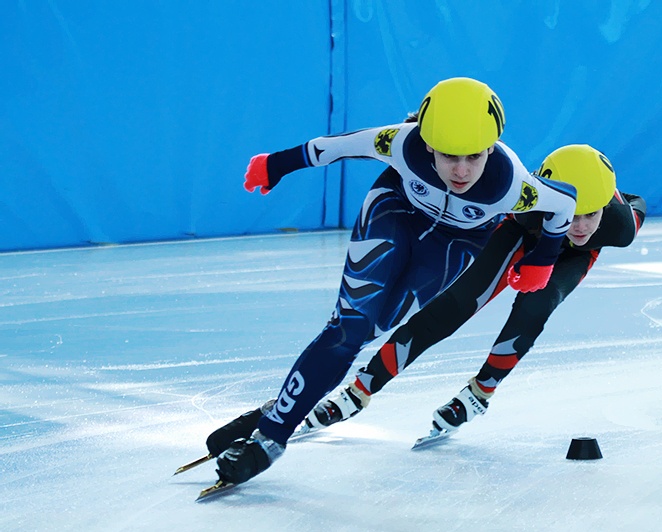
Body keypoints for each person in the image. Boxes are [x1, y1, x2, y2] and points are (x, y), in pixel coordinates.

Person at [208, 77, 579, 486]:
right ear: (428, 144)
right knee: (347, 329)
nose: (461, 171)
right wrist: (274, 165)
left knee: (367, 334)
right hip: (394, 212)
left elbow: (562, 204)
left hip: (454, 245)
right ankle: (269, 440)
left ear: (490, 148)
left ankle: (277, 409)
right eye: (449, 156)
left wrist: (543, 261)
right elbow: (335, 146)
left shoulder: (510, 186)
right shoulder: (403, 143)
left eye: (474, 157)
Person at [299, 144, 646, 440]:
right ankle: (359, 391)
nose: (581, 226)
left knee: (536, 307)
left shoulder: (620, 227)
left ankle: (481, 393)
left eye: (591, 215)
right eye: (573, 215)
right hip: (527, 232)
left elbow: (635, 201)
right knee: (454, 304)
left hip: (572, 257)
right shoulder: (528, 204)